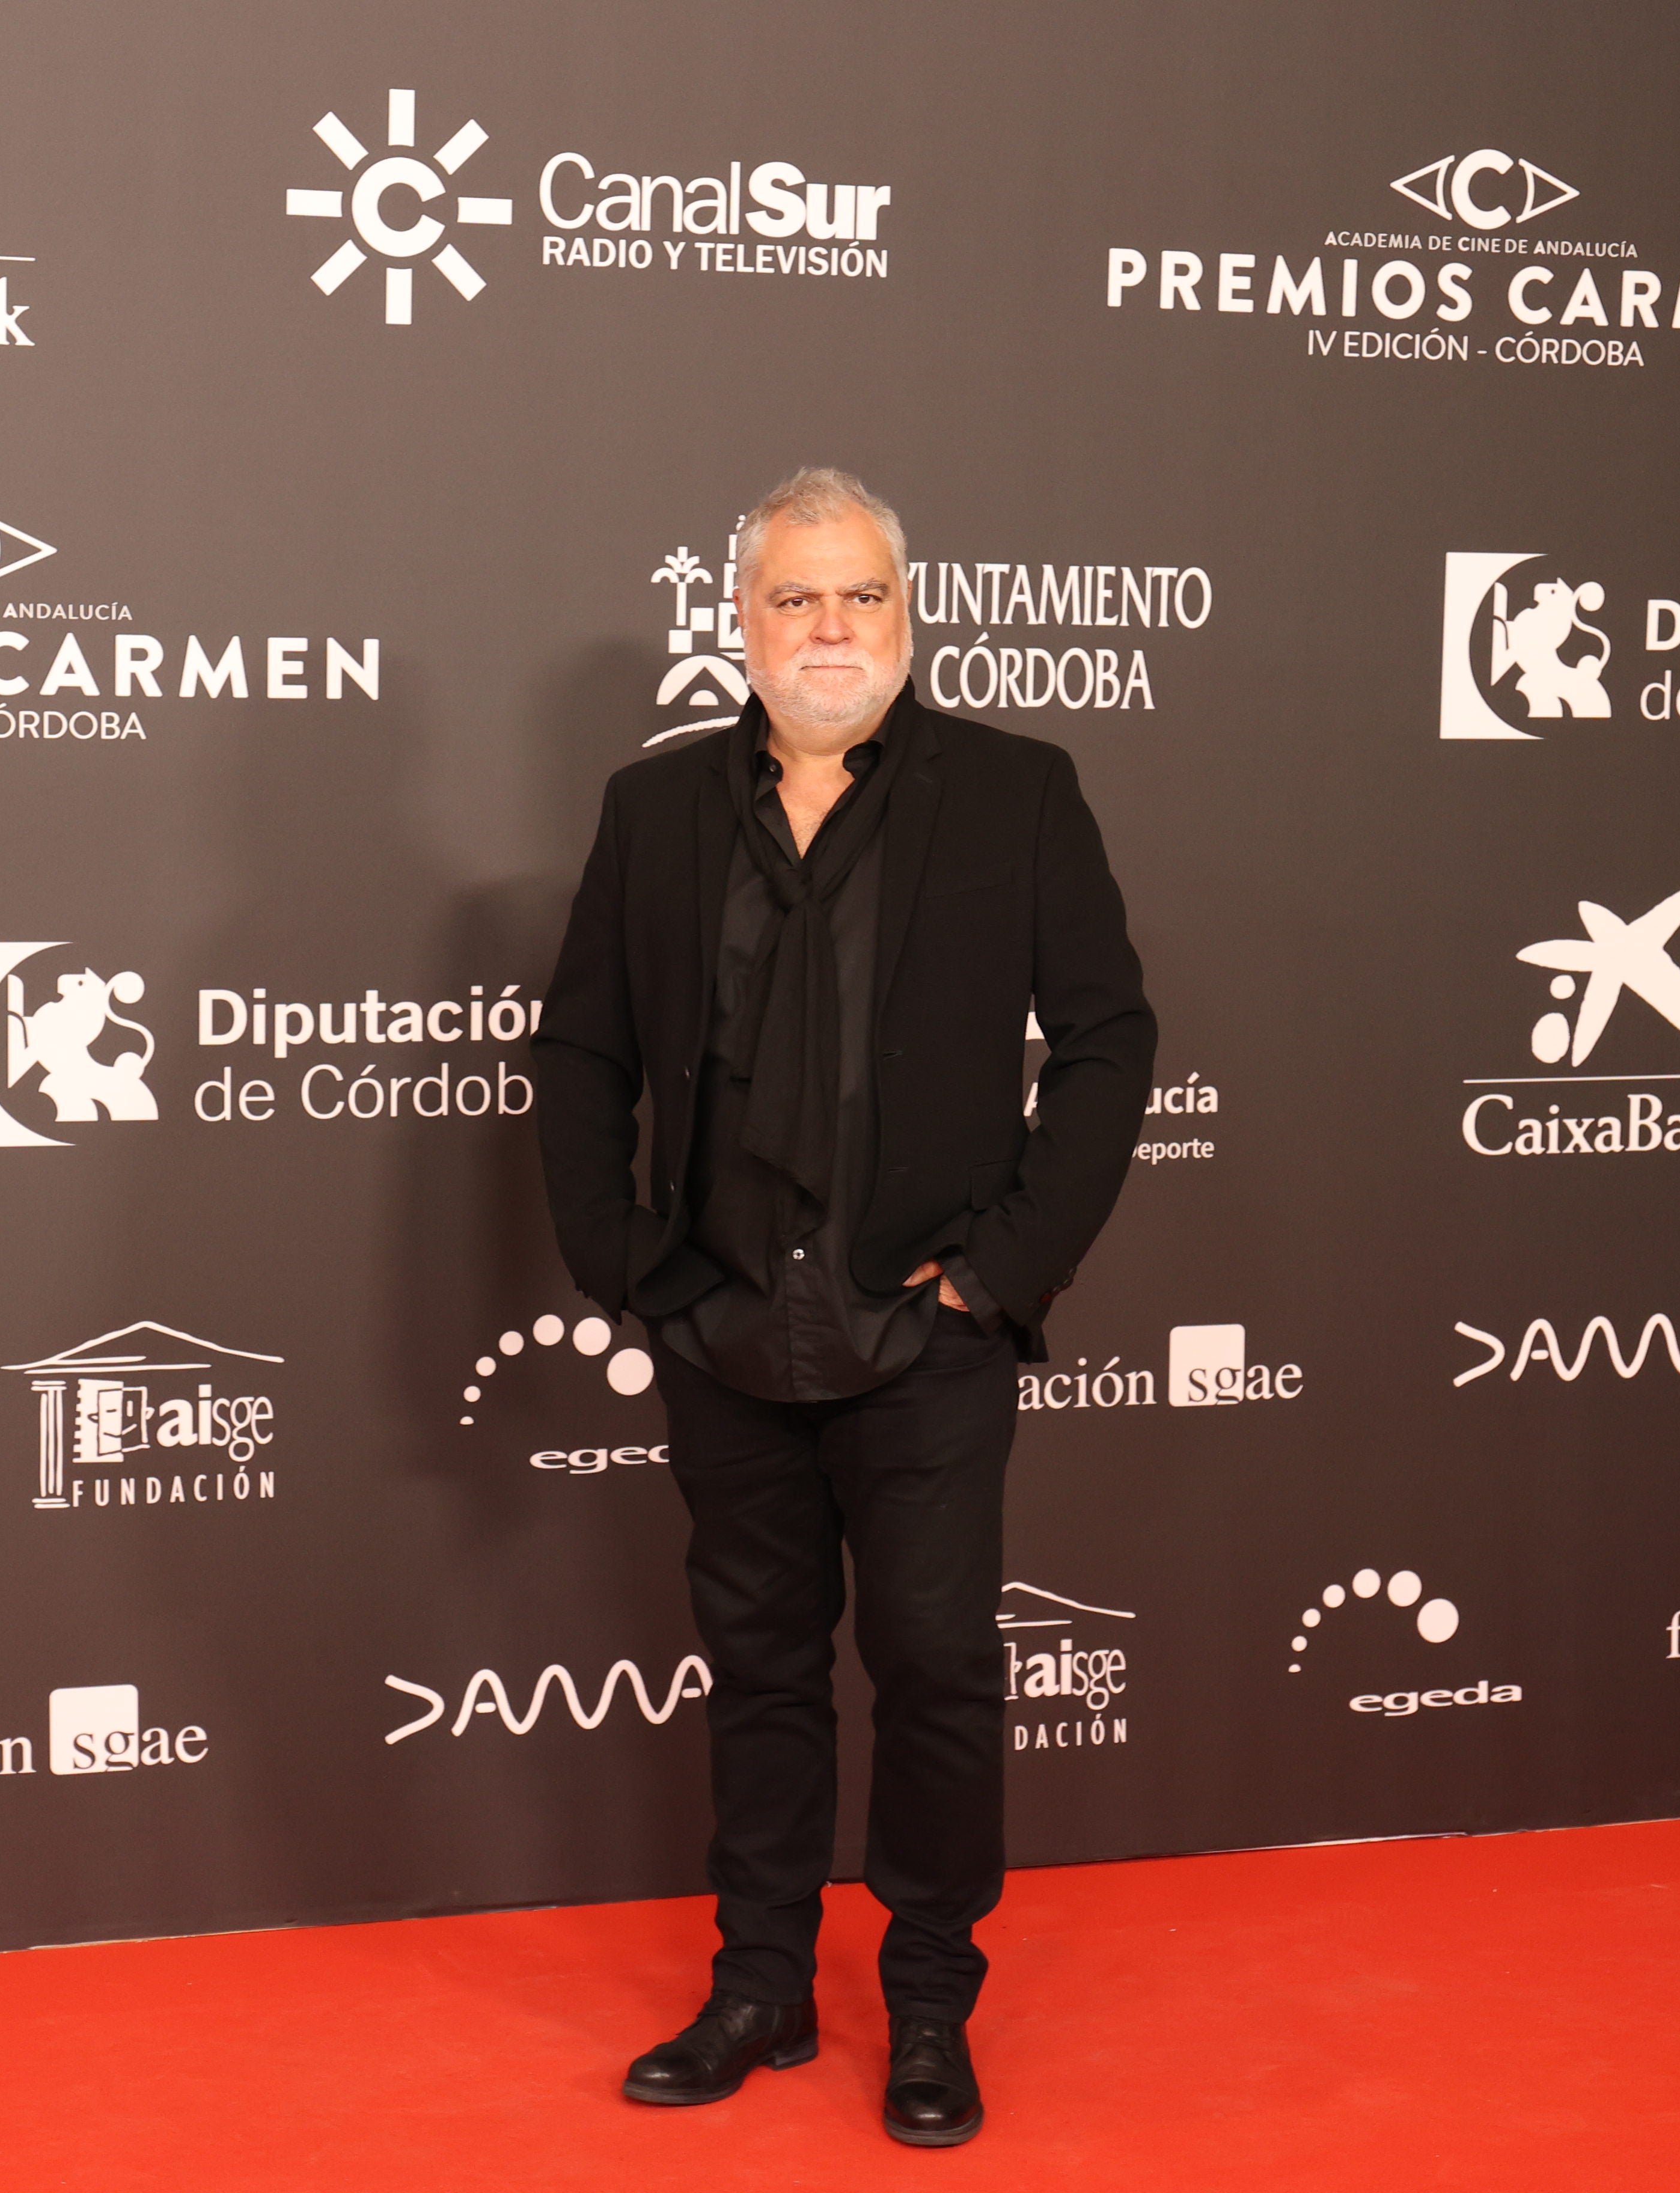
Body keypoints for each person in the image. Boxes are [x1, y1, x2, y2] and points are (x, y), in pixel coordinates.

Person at [533, 467, 1155, 2147]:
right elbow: (582, 1051)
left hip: (922, 1334)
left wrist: (1004, 1271)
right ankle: (761, 1988)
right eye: (795, 597)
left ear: (908, 615)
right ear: (740, 621)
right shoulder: (654, 811)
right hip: (723, 1326)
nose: (829, 626)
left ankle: (932, 2002)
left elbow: (1108, 1041)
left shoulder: (1018, 794)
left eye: (860, 594)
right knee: (758, 1671)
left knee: (938, 1670)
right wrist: (627, 1264)